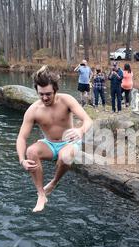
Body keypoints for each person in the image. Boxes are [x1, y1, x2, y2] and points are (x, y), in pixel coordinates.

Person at [16, 66, 93, 212]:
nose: (44, 98)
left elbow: (88, 120)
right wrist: (21, 160)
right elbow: (21, 137)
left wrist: (80, 130)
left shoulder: (66, 100)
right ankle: (41, 194)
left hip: (70, 142)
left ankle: (53, 182)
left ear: (56, 89)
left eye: (48, 94)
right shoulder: (34, 110)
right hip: (50, 144)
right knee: (31, 152)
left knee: (64, 155)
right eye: (41, 94)